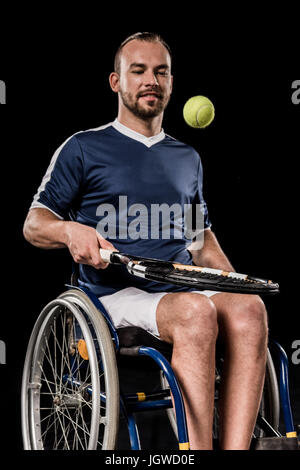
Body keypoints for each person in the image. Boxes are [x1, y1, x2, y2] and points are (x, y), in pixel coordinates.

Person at [23, 32, 268, 450]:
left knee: (249, 310)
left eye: (161, 71)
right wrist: (69, 230)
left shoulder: (187, 158)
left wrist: (231, 279)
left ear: (171, 83)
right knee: (196, 312)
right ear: (116, 81)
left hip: (176, 286)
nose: (150, 80)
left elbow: (198, 239)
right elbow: (34, 223)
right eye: (138, 71)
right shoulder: (83, 147)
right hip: (113, 293)